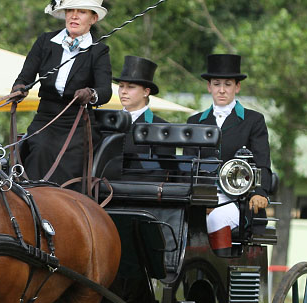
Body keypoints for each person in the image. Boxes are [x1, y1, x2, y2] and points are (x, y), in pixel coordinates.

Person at [12, 0, 113, 186]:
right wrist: (19, 88)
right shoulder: (45, 42)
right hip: (45, 118)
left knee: (69, 159)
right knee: (38, 149)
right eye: (70, 11)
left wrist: (91, 94)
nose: (74, 16)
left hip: (76, 123)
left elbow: (105, 91)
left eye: (81, 12)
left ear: (93, 19)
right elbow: (25, 77)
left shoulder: (99, 51)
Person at [186, 54, 272, 255]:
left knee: (217, 218)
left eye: (228, 84)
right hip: (201, 198)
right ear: (209, 87)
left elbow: (262, 161)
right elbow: (187, 165)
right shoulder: (195, 121)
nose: (222, 89)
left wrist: (260, 192)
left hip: (238, 200)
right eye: (217, 84)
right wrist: (200, 201)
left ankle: (219, 271)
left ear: (237, 87)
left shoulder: (254, 120)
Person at [116, 55, 165, 124]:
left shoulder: (160, 126)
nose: (123, 91)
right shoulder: (109, 122)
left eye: (131, 87)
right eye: (121, 86)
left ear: (146, 92)